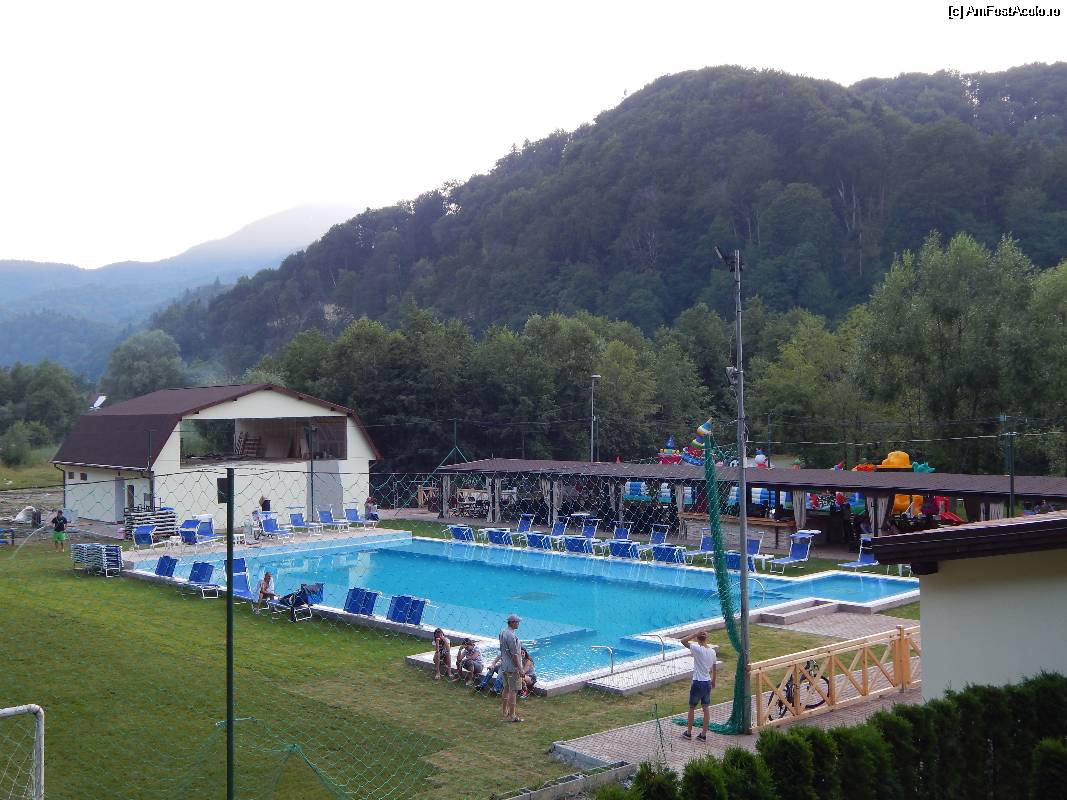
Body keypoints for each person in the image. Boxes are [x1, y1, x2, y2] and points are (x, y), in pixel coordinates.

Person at [679, 629, 717, 741]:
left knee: (692, 707)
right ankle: (703, 735)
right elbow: (714, 668)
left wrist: (695, 634)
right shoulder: (712, 652)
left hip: (697, 682)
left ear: (698, 639)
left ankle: (688, 733)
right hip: (707, 682)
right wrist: (713, 681)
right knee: (706, 708)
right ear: (706, 638)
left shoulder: (697, 649)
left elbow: (683, 641)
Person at [498, 614, 524, 722]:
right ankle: (512, 715)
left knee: (506, 688)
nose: (518, 624)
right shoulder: (511, 636)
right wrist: (520, 668)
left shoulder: (502, 632)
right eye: (517, 622)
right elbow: (514, 655)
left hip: (504, 665)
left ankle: (505, 711)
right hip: (512, 668)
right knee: (513, 690)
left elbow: (503, 649)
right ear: (512, 622)